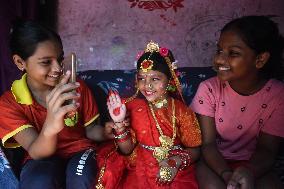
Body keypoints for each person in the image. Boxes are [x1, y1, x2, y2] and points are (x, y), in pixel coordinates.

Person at [0, 20, 110, 189]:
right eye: (46, 62)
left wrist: (108, 132)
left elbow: (91, 130)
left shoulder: (76, 87)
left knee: (81, 178)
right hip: (41, 155)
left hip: (80, 150)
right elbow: (37, 151)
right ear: (20, 62)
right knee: (37, 182)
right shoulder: (9, 103)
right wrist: (52, 121)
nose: (58, 68)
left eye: (59, 59)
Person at [190, 15, 284, 189]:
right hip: (214, 161)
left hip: (254, 163)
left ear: (260, 60)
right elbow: (208, 144)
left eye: (233, 53)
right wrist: (226, 175)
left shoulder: (278, 96)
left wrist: (249, 171)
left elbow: (268, 150)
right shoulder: (208, 89)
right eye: (219, 51)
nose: (219, 60)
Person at [95, 41, 202, 189]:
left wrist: (174, 162)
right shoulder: (131, 107)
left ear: (169, 80)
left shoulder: (182, 111)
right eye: (141, 78)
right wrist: (119, 123)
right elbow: (126, 150)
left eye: (155, 79)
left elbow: (195, 149)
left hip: (174, 166)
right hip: (140, 166)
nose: (147, 85)